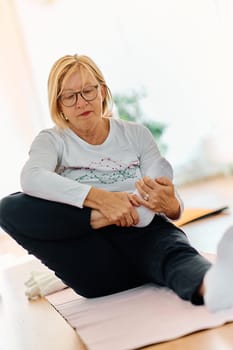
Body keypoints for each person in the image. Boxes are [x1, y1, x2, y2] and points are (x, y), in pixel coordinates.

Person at [0, 54, 232, 313]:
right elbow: (31, 177)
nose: (81, 102)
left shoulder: (136, 134)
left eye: (88, 90)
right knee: (9, 207)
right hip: (95, 259)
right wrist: (103, 202)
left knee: (174, 252)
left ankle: (216, 287)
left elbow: (169, 205)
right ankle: (108, 216)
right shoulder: (52, 140)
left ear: (102, 91)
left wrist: (171, 204)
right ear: (59, 105)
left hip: (146, 236)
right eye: (70, 96)